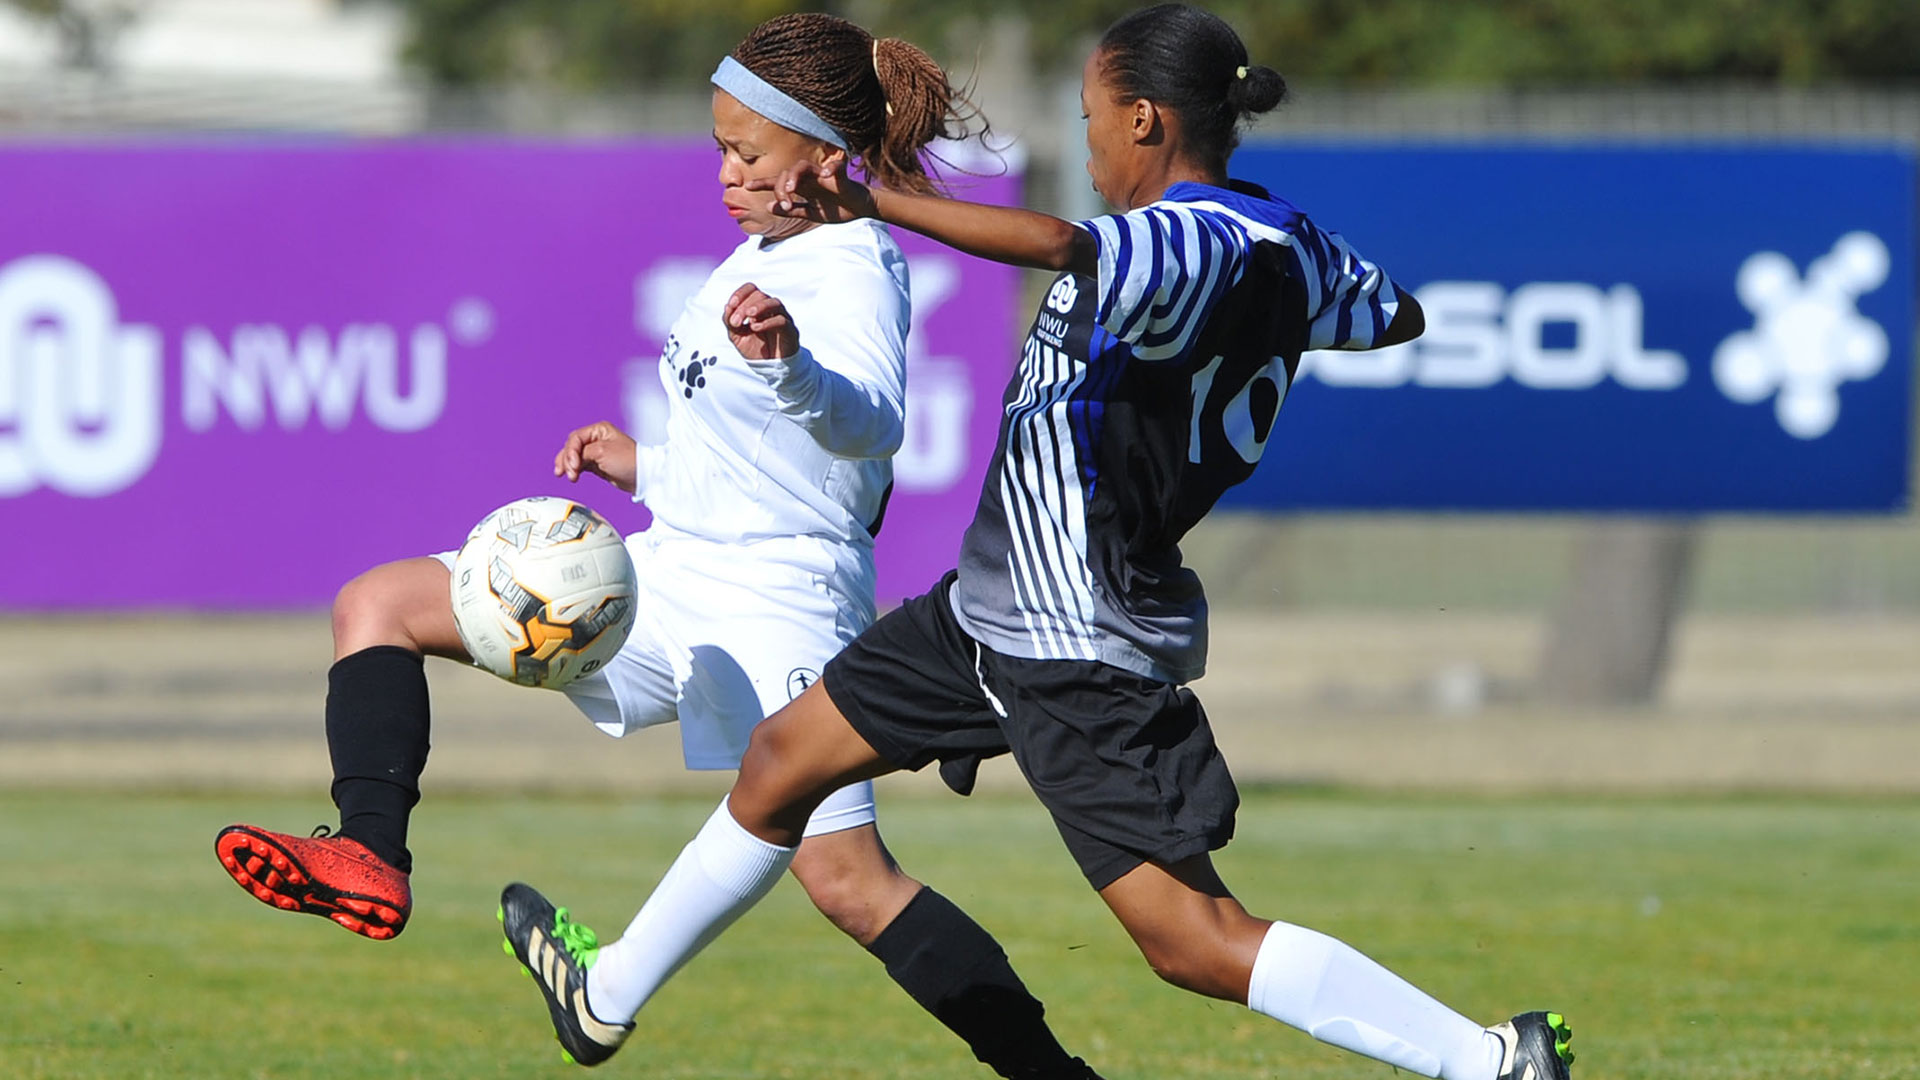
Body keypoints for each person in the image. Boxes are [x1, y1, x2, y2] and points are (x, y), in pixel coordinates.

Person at [499, 5, 1578, 1079]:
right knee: (782, 760)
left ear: (1148, 121)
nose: (1090, 143)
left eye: (1093, 117)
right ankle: (604, 1001)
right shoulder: (1284, 240)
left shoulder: (1189, 236)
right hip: (988, 608)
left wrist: (874, 198)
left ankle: (1488, 1060)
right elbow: (1394, 314)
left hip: (1069, 627)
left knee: (1190, 940)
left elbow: (1064, 247)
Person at [215, 13, 1104, 1078]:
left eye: (748, 153)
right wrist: (644, 465)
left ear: (822, 162)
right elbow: (744, 459)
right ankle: (368, 853)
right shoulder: (759, 249)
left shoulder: (854, 261)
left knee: (851, 882)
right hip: (671, 570)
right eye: (719, 148)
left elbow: (870, 426)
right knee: (376, 604)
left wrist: (789, 367)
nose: (726, 172)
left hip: (783, 600)